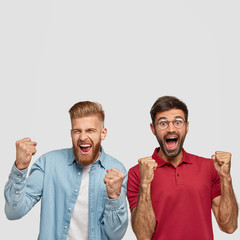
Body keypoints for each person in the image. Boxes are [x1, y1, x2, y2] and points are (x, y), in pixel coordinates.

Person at [4, 101, 128, 240]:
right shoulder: (48, 163)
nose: (82, 137)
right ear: (71, 133)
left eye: (90, 130)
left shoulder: (117, 171)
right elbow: (13, 212)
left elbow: (116, 235)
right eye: (77, 131)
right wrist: (20, 167)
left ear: (103, 133)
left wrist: (114, 197)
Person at [127, 96, 238, 240]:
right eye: (163, 123)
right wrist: (145, 183)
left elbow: (229, 226)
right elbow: (143, 236)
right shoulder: (137, 173)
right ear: (153, 129)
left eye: (178, 122)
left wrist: (226, 178)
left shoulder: (209, 167)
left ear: (187, 127)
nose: (171, 129)